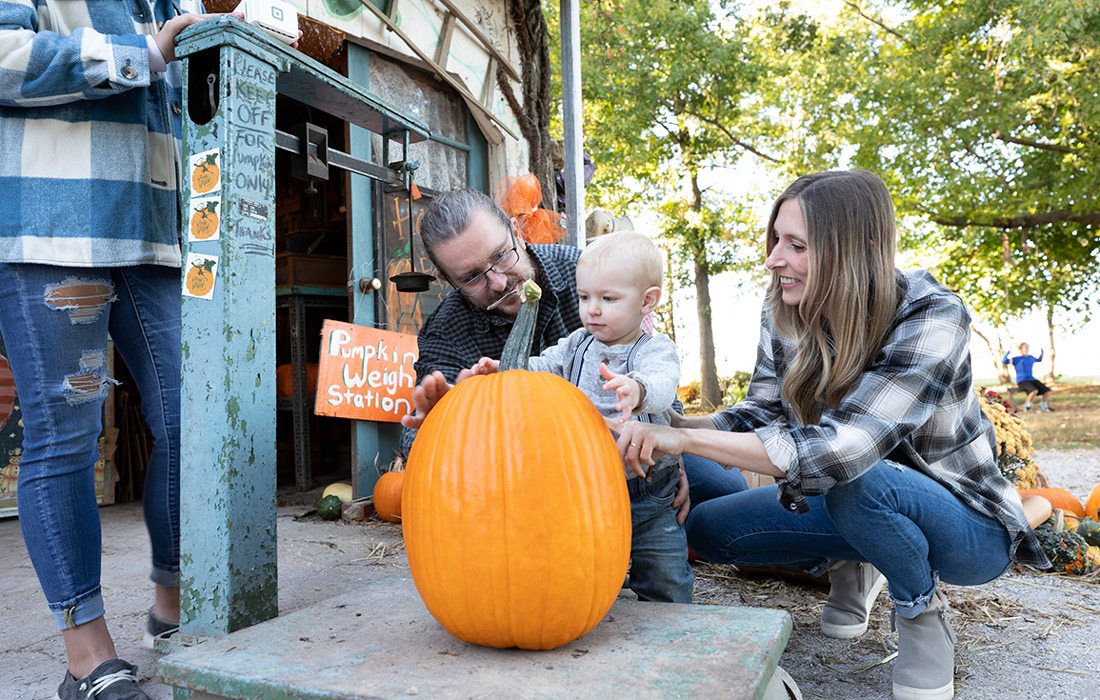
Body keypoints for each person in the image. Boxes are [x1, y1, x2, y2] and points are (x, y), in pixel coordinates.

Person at [608, 170, 1049, 700]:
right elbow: (760, 413)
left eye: (796, 245)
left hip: (965, 526)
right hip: (850, 494)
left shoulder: (931, 313)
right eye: (776, 241)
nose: (774, 259)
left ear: (859, 250)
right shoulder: (783, 309)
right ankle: (856, 559)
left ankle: (920, 610)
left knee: (856, 480)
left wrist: (685, 441)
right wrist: (667, 427)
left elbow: (846, 449)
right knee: (707, 527)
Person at [0, 3, 241, 698]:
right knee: (65, 438)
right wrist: (138, 52)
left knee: (192, 422)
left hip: (157, 232)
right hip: (52, 222)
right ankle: (88, 658)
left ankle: (170, 605)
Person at [398, 189, 747, 514]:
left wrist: (670, 451)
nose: (499, 282)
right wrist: (444, 422)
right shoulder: (446, 330)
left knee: (722, 487)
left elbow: (649, 360)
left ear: (517, 233)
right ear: (450, 283)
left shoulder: (589, 278)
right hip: (525, 468)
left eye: (501, 256)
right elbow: (415, 441)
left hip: (628, 440)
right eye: (472, 277)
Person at [468, 231, 693, 602]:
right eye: (585, 297)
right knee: (585, 561)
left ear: (647, 301)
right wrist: (506, 368)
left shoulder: (654, 350)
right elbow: (542, 366)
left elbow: (663, 383)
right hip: (590, 486)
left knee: (663, 569)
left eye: (608, 298)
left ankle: (669, 615)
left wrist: (637, 389)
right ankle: (599, 591)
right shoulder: (577, 343)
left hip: (648, 489)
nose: (593, 309)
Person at [1003, 343, 1054, 412]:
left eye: (1027, 347)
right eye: (1025, 347)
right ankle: (1027, 406)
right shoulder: (1016, 359)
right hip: (1022, 380)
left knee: (1047, 391)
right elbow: (1004, 361)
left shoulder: (1030, 357)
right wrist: (1008, 352)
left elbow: (1039, 359)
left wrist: (1042, 353)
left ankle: (1043, 406)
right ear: (1021, 349)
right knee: (1034, 391)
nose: (1027, 349)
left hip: (1031, 379)